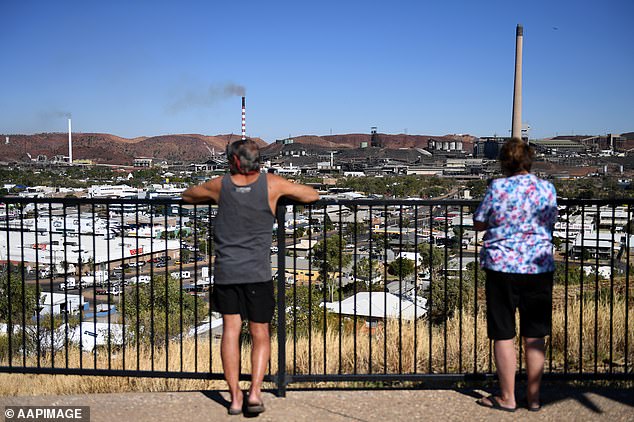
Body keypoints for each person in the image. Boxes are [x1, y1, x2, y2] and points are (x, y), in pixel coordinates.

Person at [182, 138, 319, 415]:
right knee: (260, 333)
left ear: (233, 160)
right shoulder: (272, 184)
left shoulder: (220, 185)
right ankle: (255, 394)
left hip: (227, 271)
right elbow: (311, 195)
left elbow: (187, 195)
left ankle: (234, 397)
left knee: (230, 332)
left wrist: (214, 192)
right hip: (257, 273)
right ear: (258, 160)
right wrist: (284, 193)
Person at [473, 138, 557, 412]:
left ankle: (508, 397)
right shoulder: (546, 188)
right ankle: (533, 398)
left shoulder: (498, 187)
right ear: (529, 160)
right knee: (534, 334)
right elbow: (550, 221)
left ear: (504, 163)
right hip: (538, 265)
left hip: (502, 266)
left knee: (504, 333)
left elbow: (479, 222)